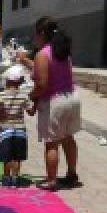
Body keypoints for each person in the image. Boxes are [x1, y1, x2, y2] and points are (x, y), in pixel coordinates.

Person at [28, 16, 81, 192]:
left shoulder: (42, 54)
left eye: (36, 34)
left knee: (51, 144)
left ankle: (51, 181)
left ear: (42, 33)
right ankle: (72, 174)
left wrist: (32, 95)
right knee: (68, 138)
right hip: (72, 98)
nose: (35, 38)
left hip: (55, 102)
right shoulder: (62, 52)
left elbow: (42, 84)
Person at [0, 87, 30, 188]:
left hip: (6, 129)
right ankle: (15, 179)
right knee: (17, 157)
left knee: (7, 157)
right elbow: (30, 111)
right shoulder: (23, 96)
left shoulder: (2, 95)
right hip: (20, 130)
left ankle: (6, 179)